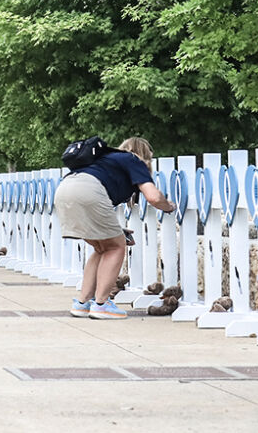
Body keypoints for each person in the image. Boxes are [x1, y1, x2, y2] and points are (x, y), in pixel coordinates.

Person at [57, 136, 173, 320]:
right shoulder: (133, 160)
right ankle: (102, 305)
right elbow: (153, 197)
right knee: (116, 247)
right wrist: (169, 207)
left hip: (64, 190)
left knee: (101, 247)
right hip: (89, 191)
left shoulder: (105, 159)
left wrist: (117, 232)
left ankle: (82, 303)